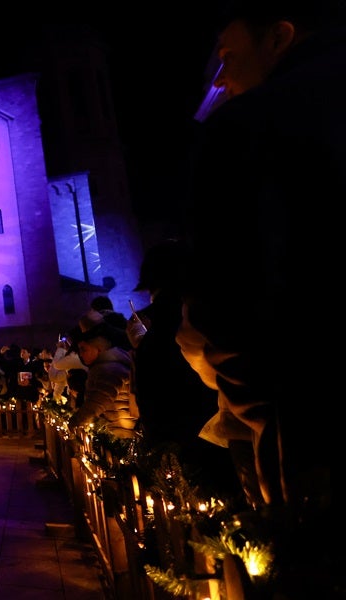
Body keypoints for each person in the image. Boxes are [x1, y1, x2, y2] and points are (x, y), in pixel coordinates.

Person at [176, 2, 346, 593]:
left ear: (279, 37)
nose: (221, 78)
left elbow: (223, 301)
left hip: (312, 419)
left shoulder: (250, 126)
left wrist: (261, 428)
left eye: (228, 57)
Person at [130, 241, 244, 502]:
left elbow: (152, 398)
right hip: (217, 435)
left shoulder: (173, 328)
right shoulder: (209, 314)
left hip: (189, 442)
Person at [66, 321, 137, 440]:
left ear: (98, 348)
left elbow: (99, 400)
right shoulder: (104, 366)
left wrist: (77, 420)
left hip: (122, 432)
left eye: (84, 349)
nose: (81, 354)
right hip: (119, 429)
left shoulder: (109, 369)